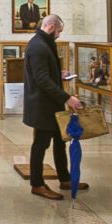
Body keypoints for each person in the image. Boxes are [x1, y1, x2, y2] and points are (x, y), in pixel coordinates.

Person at [22, 14, 85, 201]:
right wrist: (68, 98)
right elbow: (41, 79)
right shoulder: (39, 46)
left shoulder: (43, 43)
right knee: (40, 145)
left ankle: (65, 178)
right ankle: (37, 184)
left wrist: (58, 74)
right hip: (42, 105)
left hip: (51, 104)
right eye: (59, 31)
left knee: (60, 141)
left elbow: (44, 72)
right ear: (50, 27)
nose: (59, 35)